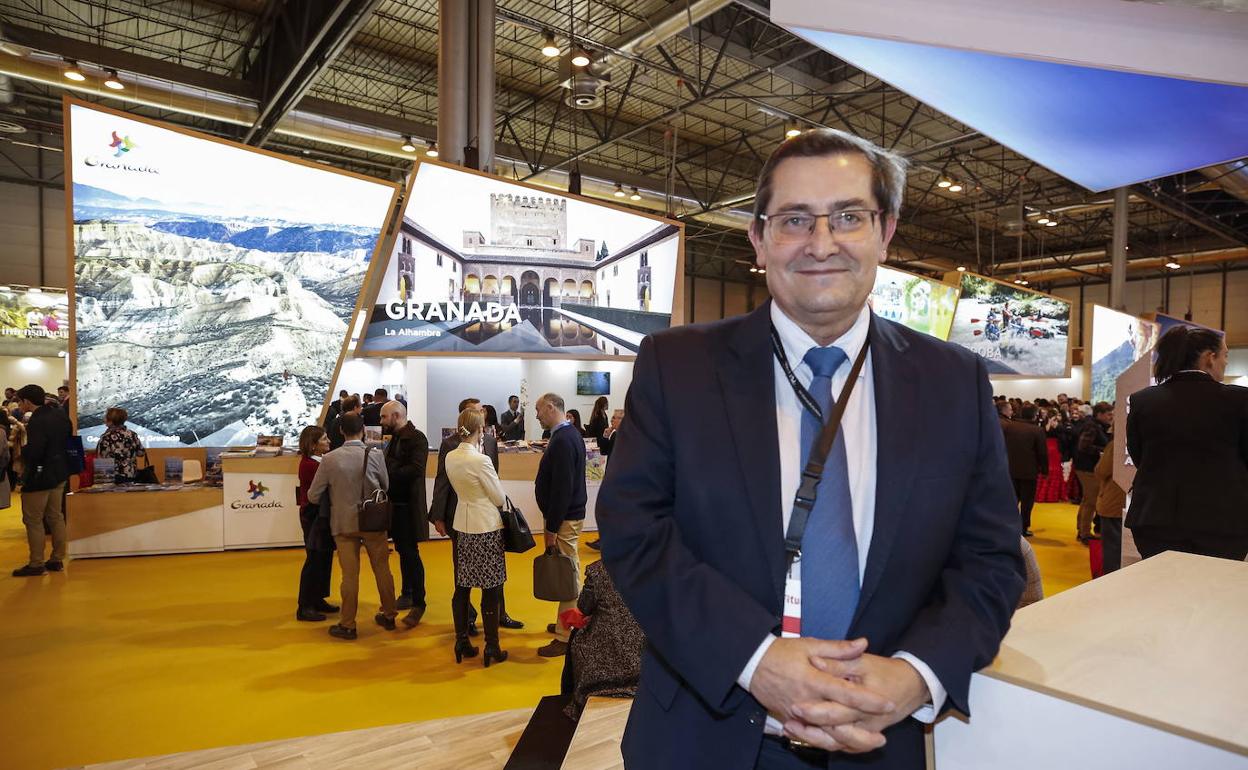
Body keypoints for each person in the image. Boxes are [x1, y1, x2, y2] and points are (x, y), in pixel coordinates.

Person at [596, 128, 1023, 769]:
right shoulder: (678, 367)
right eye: (795, 219)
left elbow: (990, 559)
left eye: (848, 217)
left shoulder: (952, 380)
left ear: (885, 232)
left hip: (882, 740)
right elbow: (635, 532)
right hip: (707, 736)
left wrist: (918, 674)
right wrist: (754, 659)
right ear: (759, 238)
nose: (822, 244)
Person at [1126, 326, 1248, 561]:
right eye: (1225, 355)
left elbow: (1139, 454)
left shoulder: (1143, 400)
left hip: (1154, 519)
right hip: (1223, 522)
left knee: (1161, 581)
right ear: (1209, 358)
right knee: (1213, 583)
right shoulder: (1239, 400)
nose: (1226, 362)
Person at [429, 398, 523, 631]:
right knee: (463, 573)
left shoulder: (490, 441)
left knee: (493, 574)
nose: (482, 413)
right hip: (460, 516)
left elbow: (494, 477)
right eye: (476, 411)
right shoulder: (450, 445)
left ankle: (500, 614)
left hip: (489, 519)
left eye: (482, 410)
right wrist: (438, 515)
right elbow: (442, 481)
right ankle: (468, 619)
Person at [306, 413, 395, 640]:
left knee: (349, 575)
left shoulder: (330, 459)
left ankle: (347, 624)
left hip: (343, 523)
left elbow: (313, 495)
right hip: (373, 520)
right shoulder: (375, 454)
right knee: (382, 568)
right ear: (363, 430)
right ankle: (389, 614)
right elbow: (385, 485)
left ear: (340, 431)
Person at [444, 406, 510, 666]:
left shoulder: (450, 456)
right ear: (480, 429)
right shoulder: (481, 461)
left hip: (462, 524)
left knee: (462, 586)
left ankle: (461, 640)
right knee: (490, 588)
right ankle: (492, 646)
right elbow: (499, 497)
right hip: (486, 527)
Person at [534, 392, 587, 658]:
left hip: (565, 517)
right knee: (569, 570)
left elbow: (562, 489)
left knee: (567, 575)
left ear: (550, 407)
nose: (537, 416)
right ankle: (566, 623)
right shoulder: (566, 435)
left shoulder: (564, 439)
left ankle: (566, 635)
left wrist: (552, 528)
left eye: (538, 410)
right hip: (566, 515)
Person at [12, 384, 73, 577]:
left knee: (33, 519)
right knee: (56, 516)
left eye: (20, 402)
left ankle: (36, 563)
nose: (19, 405)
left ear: (26, 401)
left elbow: (36, 451)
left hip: (40, 476)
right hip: (60, 472)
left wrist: (22, 456)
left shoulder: (37, 421)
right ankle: (57, 559)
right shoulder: (60, 415)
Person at [380, 399, 430, 627]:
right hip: (397, 505)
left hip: (409, 506)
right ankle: (407, 593)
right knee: (403, 551)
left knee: (410, 553)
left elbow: (416, 470)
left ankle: (419, 602)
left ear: (397, 416)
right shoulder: (396, 438)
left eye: (384, 416)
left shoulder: (417, 439)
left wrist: (387, 470)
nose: (381, 421)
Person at [295, 425, 337, 621]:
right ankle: (305, 605)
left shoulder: (317, 462)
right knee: (314, 559)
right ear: (313, 445)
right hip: (313, 516)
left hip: (320, 515)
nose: (329, 441)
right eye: (324, 439)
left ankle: (317, 599)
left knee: (323, 558)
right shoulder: (311, 466)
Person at [1001, 404, 1048, 537]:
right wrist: (1045, 470)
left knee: (1011, 500)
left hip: (1010, 468)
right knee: (1027, 502)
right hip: (1029, 471)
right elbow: (1042, 453)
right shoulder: (1037, 430)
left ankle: (1007, 525)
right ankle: (1023, 527)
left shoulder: (1009, 427)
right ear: (1034, 415)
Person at [1074, 402, 1112, 544]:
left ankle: (1081, 530)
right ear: (1099, 414)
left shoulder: (1096, 426)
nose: (1110, 417)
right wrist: (1102, 451)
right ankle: (1084, 533)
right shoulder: (1092, 426)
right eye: (1108, 414)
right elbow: (1083, 446)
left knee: (1087, 500)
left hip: (1087, 467)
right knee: (1091, 502)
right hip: (1087, 468)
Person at [1093, 438, 1126, 573]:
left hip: (1113, 500)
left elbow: (1102, 470)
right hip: (1134, 501)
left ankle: (1111, 577)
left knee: (1112, 546)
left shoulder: (1116, 444)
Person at [94, 407, 145, 483]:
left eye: (106, 417)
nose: (104, 419)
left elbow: (102, 459)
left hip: (113, 476)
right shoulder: (132, 434)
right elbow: (141, 453)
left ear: (111, 421)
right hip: (131, 474)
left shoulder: (107, 437)